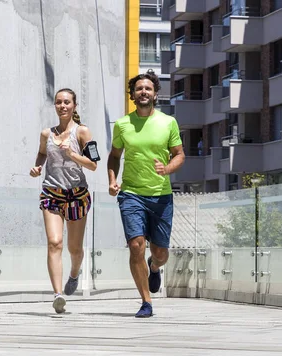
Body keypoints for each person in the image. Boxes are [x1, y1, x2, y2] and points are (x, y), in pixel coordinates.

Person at [107, 71, 185, 318]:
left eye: (148, 88)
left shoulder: (168, 122)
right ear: (132, 95)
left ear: (155, 94)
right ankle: (146, 302)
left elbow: (180, 154)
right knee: (135, 246)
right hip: (131, 194)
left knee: (160, 253)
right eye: (139, 88)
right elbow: (114, 156)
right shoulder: (122, 124)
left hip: (161, 196)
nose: (143, 92)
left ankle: (154, 267)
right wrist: (112, 180)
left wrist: (167, 169)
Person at [30, 88, 98, 314]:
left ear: (74, 106)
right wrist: (38, 166)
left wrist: (72, 155)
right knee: (55, 242)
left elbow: (94, 164)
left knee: (74, 248)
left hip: (77, 195)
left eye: (67, 102)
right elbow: (42, 154)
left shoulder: (83, 132)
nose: (62, 106)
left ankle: (74, 273)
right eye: (58, 102)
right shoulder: (46, 134)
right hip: (52, 193)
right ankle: (58, 295)